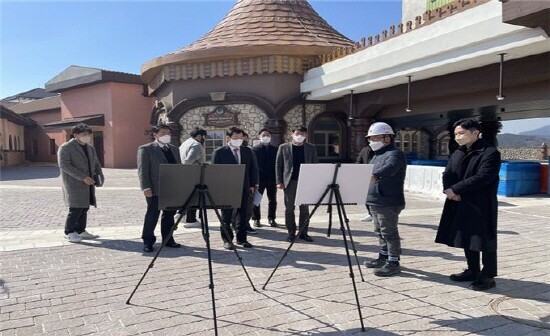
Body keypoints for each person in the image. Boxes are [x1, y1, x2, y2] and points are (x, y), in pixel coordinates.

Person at [435, 118, 501, 291]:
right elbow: (447, 173)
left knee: (485, 239)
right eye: (456, 134)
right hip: (459, 201)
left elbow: (484, 176)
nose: (458, 137)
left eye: (461, 133)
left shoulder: (490, 153)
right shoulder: (458, 152)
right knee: (466, 237)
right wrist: (449, 190)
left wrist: (456, 189)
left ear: (475, 133)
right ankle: (472, 270)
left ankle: (488, 275)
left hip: (481, 204)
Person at [363, 122, 406, 277]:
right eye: (370, 139)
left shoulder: (394, 153)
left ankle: (393, 262)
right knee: (379, 231)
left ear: (387, 138)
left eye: (375, 138)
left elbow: (390, 168)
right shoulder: (376, 154)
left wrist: (376, 175)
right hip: (374, 200)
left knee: (389, 232)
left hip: (388, 200)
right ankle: (383, 256)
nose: (371, 141)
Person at [211, 127, 258, 249]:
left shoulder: (247, 151)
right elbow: (214, 173)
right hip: (226, 188)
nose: (239, 140)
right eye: (236, 137)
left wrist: (253, 184)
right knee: (226, 215)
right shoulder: (220, 152)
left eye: (241, 137)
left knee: (243, 215)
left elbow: (253, 168)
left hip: (244, 187)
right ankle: (227, 240)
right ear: (228, 138)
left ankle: (242, 239)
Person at [138, 124, 182, 253]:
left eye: (168, 133)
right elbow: (143, 170)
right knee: (152, 215)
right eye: (163, 133)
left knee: (169, 215)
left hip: (172, 188)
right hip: (155, 188)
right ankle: (148, 241)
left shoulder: (174, 149)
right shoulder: (146, 149)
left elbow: (179, 168)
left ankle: (168, 239)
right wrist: (145, 187)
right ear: (155, 134)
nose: (166, 135)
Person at [58, 123, 104, 243]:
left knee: (84, 207)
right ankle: (69, 232)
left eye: (88, 134)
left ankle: (80, 230)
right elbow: (64, 165)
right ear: (75, 135)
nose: (87, 136)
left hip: (88, 183)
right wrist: (82, 177)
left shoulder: (90, 148)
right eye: (84, 134)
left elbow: (96, 164)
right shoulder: (66, 147)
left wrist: (100, 177)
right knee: (75, 208)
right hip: (74, 183)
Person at [276, 125, 318, 243]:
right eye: (298, 133)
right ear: (292, 134)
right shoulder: (283, 147)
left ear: (306, 136)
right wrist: (279, 181)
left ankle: (303, 233)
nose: (300, 136)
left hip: (305, 182)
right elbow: (278, 165)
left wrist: (315, 181)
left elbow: (315, 165)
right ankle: (291, 233)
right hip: (290, 182)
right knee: (289, 208)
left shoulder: (311, 148)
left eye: (303, 134)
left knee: (304, 209)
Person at [179, 127, 207, 229]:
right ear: (200, 136)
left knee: (189, 196)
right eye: (204, 136)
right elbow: (188, 161)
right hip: (194, 174)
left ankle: (182, 213)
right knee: (194, 197)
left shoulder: (185, 143)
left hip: (185, 174)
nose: (205, 139)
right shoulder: (196, 145)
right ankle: (191, 219)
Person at [252, 128, 280, 228]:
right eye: (263, 135)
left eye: (268, 135)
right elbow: (252, 166)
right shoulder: (254, 150)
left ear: (270, 137)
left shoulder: (275, 149)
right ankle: (256, 219)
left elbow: (278, 165)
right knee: (256, 200)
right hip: (259, 179)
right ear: (259, 137)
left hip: (272, 179)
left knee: (273, 200)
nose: (265, 137)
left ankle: (272, 218)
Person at [356, 137, 374, 222]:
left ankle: (376, 214)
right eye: (370, 139)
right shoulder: (364, 150)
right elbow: (359, 161)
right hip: (365, 176)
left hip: (376, 177)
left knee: (376, 196)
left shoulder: (381, 151)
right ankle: (370, 214)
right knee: (366, 197)